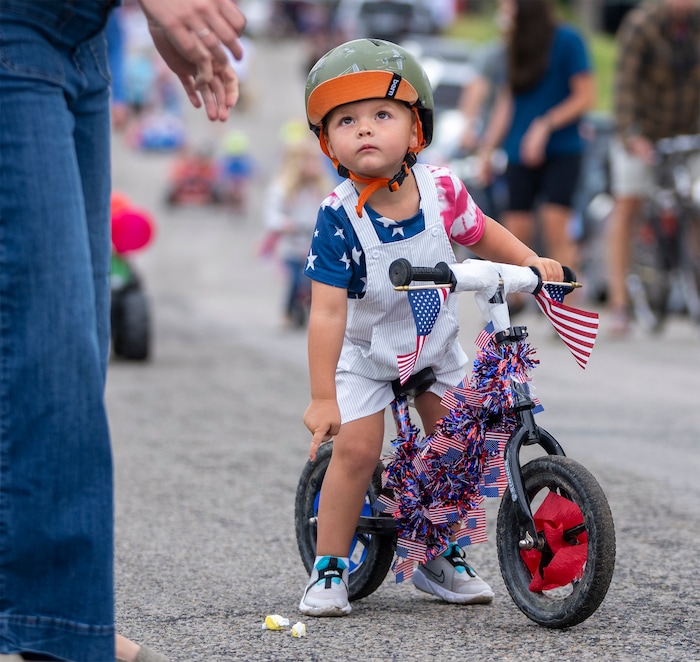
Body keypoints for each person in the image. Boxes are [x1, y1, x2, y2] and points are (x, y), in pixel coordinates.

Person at [0, 1, 246, 660]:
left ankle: (49, 620)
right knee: (42, 353)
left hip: (79, 41)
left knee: (73, 350)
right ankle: (55, 629)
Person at [298, 38, 565, 617]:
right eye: (347, 120)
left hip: (434, 352)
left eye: (382, 114)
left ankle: (438, 554)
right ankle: (329, 566)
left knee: (455, 449)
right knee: (359, 450)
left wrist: (530, 262)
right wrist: (323, 397)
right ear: (328, 142)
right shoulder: (337, 217)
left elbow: (482, 232)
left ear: (415, 128)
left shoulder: (442, 190)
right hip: (367, 358)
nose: (365, 129)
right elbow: (325, 312)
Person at [478, 0, 595, 309]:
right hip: (518, 151)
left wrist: (545, 125)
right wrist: (487, 150)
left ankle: (563, 303)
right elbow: (507, 101)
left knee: (557, 224)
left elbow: (585, 96)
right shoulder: (513, 44)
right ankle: (514, 301)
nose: (504, 11)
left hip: (562, 149)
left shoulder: (568, 40)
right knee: (516, 228)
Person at [605, 0, 700, 335]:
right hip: (640, 133)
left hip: (687, 134)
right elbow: (625, 87)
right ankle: (619, 304)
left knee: (695, 203)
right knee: (628, 203)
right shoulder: (642, 24)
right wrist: (633, 137)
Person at [261, 121, 333, 327]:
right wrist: (285, 224)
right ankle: (287, 311)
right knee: (293, 280)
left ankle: (313, 313)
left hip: (312, 244)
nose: (314, 165)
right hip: (291, 245)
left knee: (312, 282)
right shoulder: (283, 189)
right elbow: (271, 215)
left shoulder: (321, 188)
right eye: (308, 160)